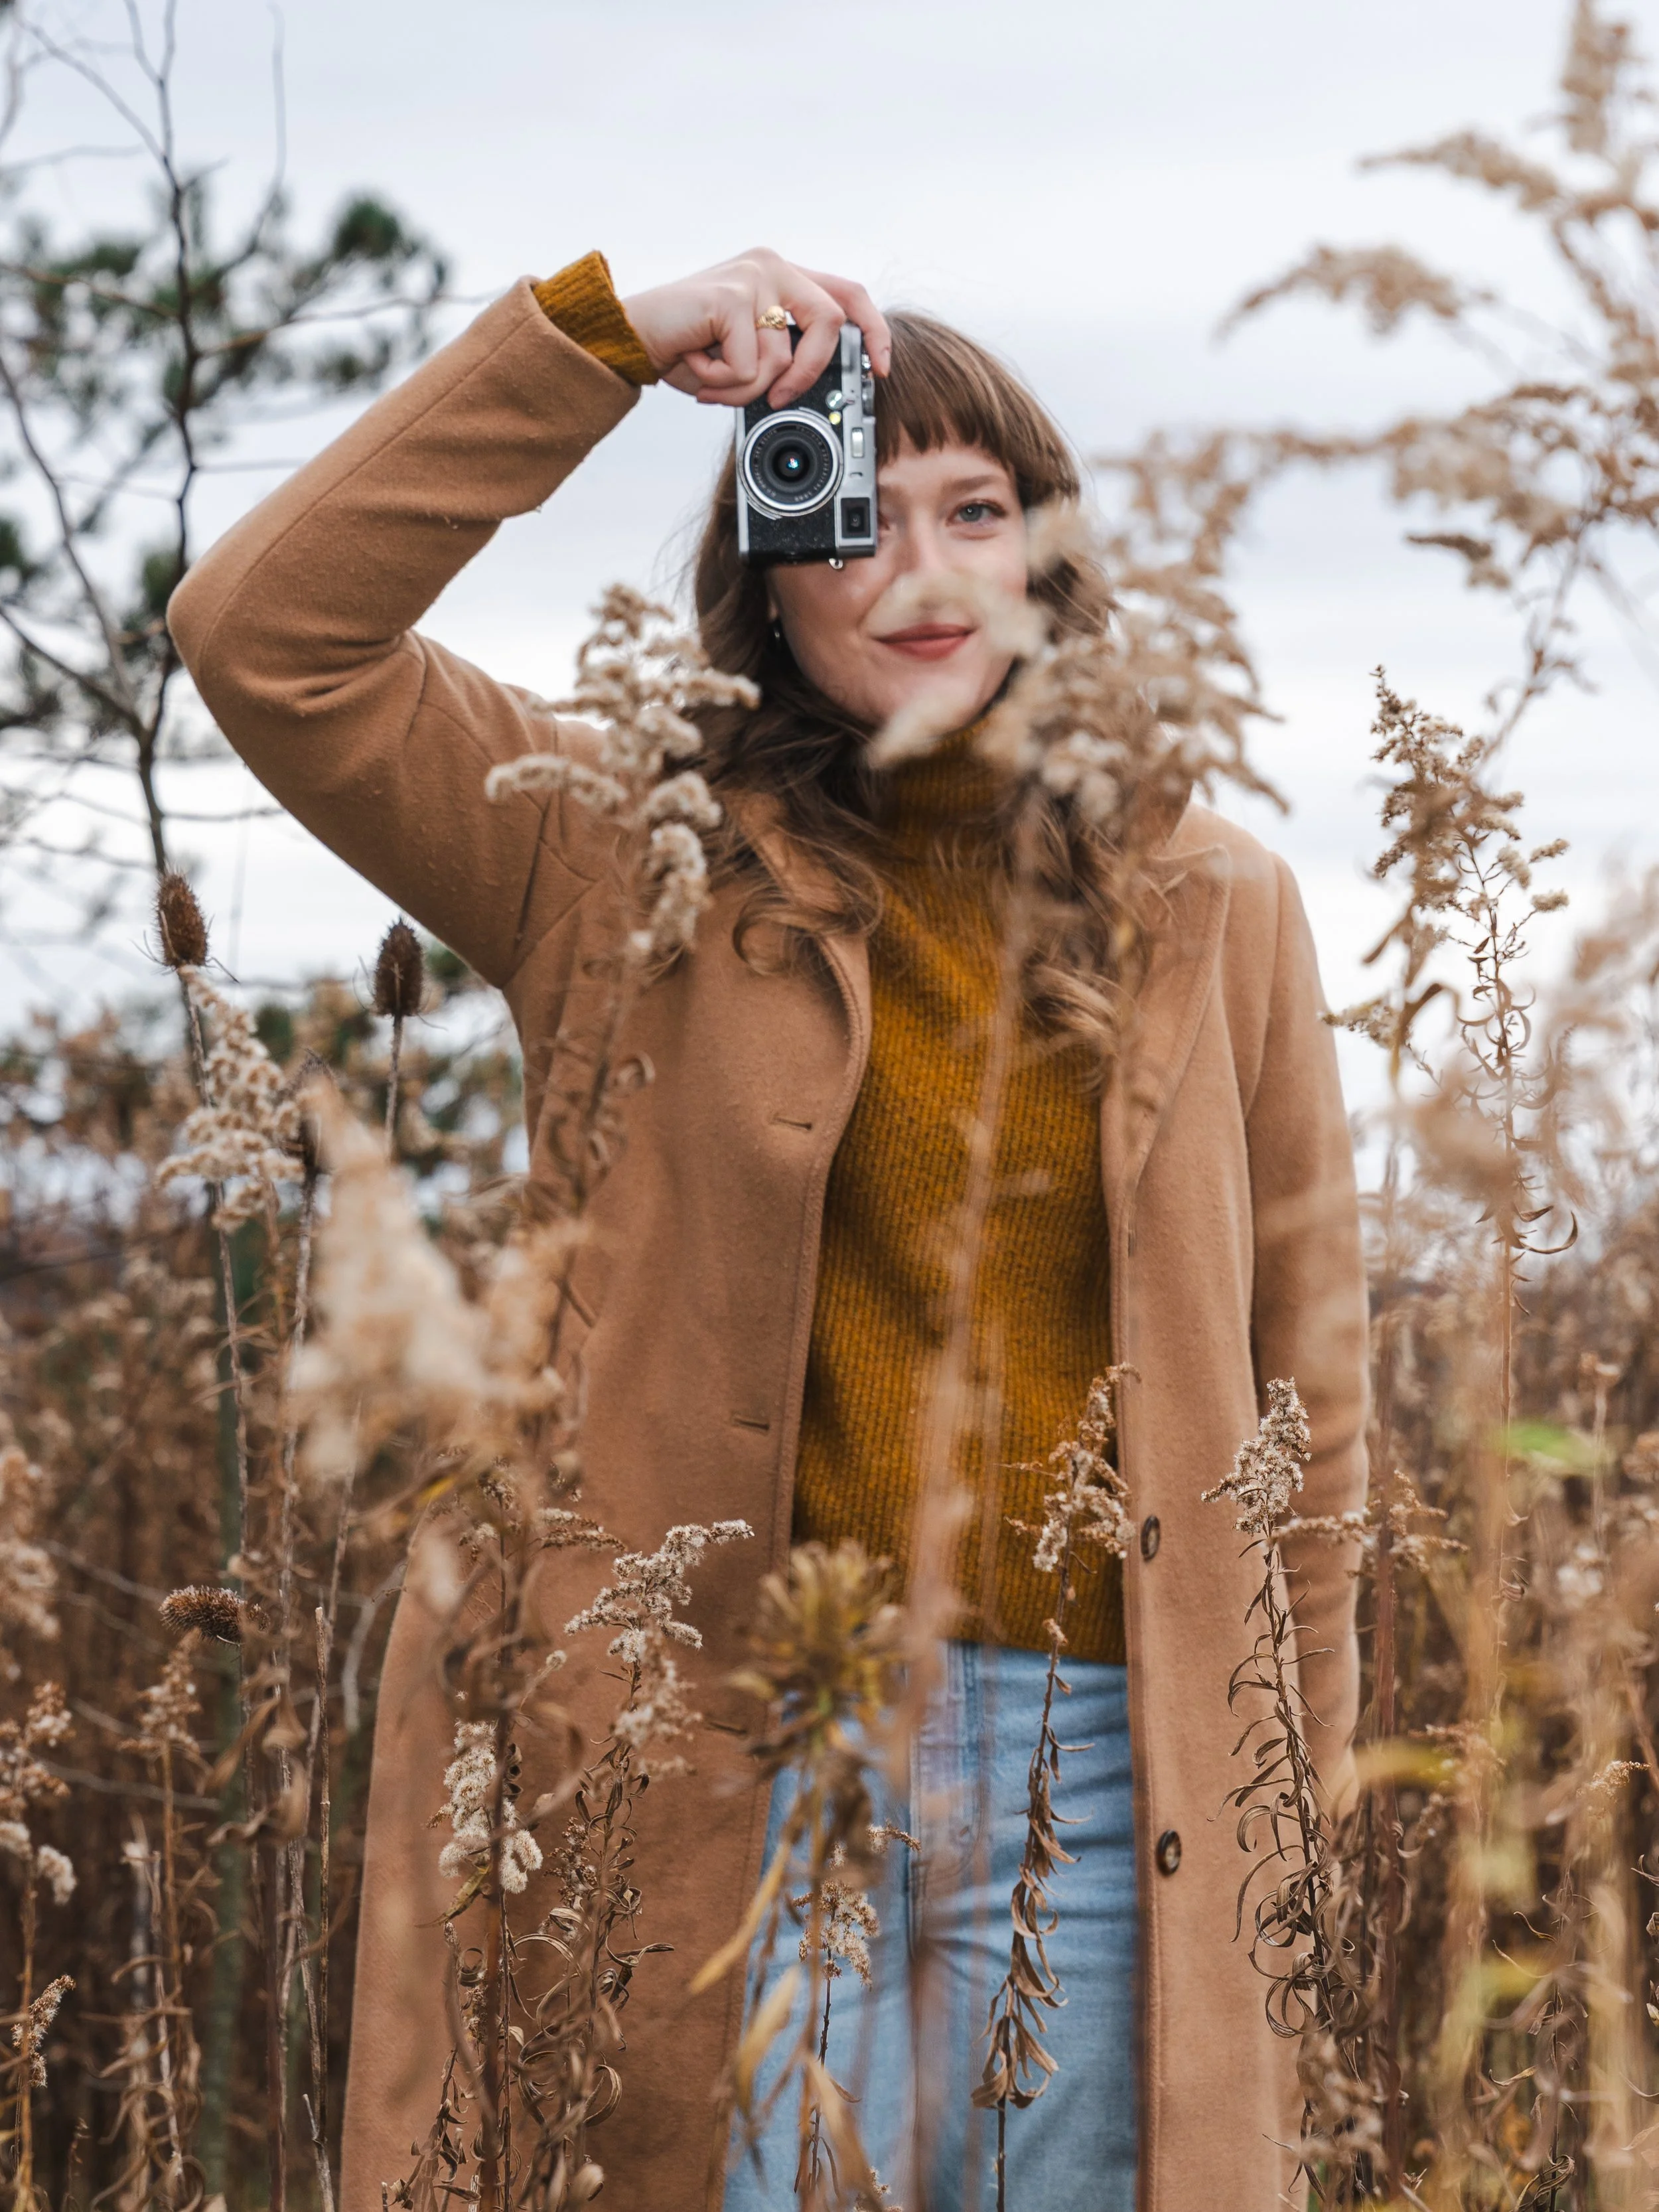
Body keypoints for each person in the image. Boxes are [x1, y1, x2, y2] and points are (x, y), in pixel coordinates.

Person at [167, 248, 1368, 2212]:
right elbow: (264, 637)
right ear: (768, 569)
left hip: (1105, 1775)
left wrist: (1282, 1799)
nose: (918, 568)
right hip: (721, 1743)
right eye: (851, 513)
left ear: (1049, 555)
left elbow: (1306, 1386)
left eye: (975, 510)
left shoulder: (1210, 899)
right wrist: (602, 342)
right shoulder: (613, 843)